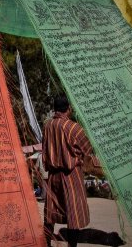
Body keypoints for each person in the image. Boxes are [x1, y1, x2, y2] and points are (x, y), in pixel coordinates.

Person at [42, 95, 94, 247]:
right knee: (74, 213)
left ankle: (46, 243)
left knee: (50, 213)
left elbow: (45, 149)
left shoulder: (48, 126)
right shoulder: (74, 127)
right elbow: (87, 148)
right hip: (71, 175)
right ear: (68, 109)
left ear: (55, 109)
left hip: (53, 176)